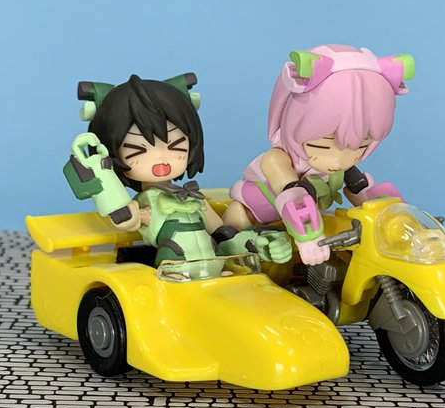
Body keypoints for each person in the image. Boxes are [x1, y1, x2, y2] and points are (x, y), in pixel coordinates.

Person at [66, 73, 291, 276]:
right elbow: (128, 218)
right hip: (174, 271)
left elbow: (223, 234)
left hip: (215, 269)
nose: (161, 157)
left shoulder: (194, 198)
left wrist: (257, 245)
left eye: (175, 145)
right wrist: (105, 181)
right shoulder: (145, 204)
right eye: (139, 150)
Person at [223, 44, 414, 265]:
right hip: (249, 221)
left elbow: (363, 192)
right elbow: (293, 195)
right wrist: (309, 238)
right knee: (231, 237)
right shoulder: (276, 160)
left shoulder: (342, 168)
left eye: (360, 146)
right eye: (323, 146)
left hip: (287, 238)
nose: (339, 160)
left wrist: (395, 218)